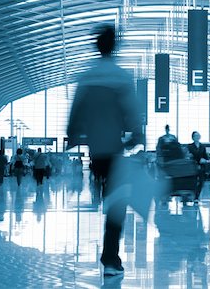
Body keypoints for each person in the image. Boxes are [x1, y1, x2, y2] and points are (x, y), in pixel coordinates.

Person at [67, 24, 142, 277]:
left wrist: (73, 134)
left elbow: (76, 110)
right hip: (115, 150)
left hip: (95, 151)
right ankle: (110, 258)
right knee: (117, 204)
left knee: (108, 196)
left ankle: (102, 196)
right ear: (115, 46)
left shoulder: (86, 76)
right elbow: (132, 111)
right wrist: (137, 134)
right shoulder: (121, 77)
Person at [187, 131, 210, 201]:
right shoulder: (190, 146)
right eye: (195, 136)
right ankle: (193, 195)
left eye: (198, 135)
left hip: (201, 166)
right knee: (193, 181)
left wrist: (207, 160)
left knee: (201, 181)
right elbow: (190, 156)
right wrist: (199, 159)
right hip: (193, 166)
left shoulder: (202, 146)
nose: (197, 137)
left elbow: (205, 156)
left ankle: (197, 196)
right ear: (193, 137)